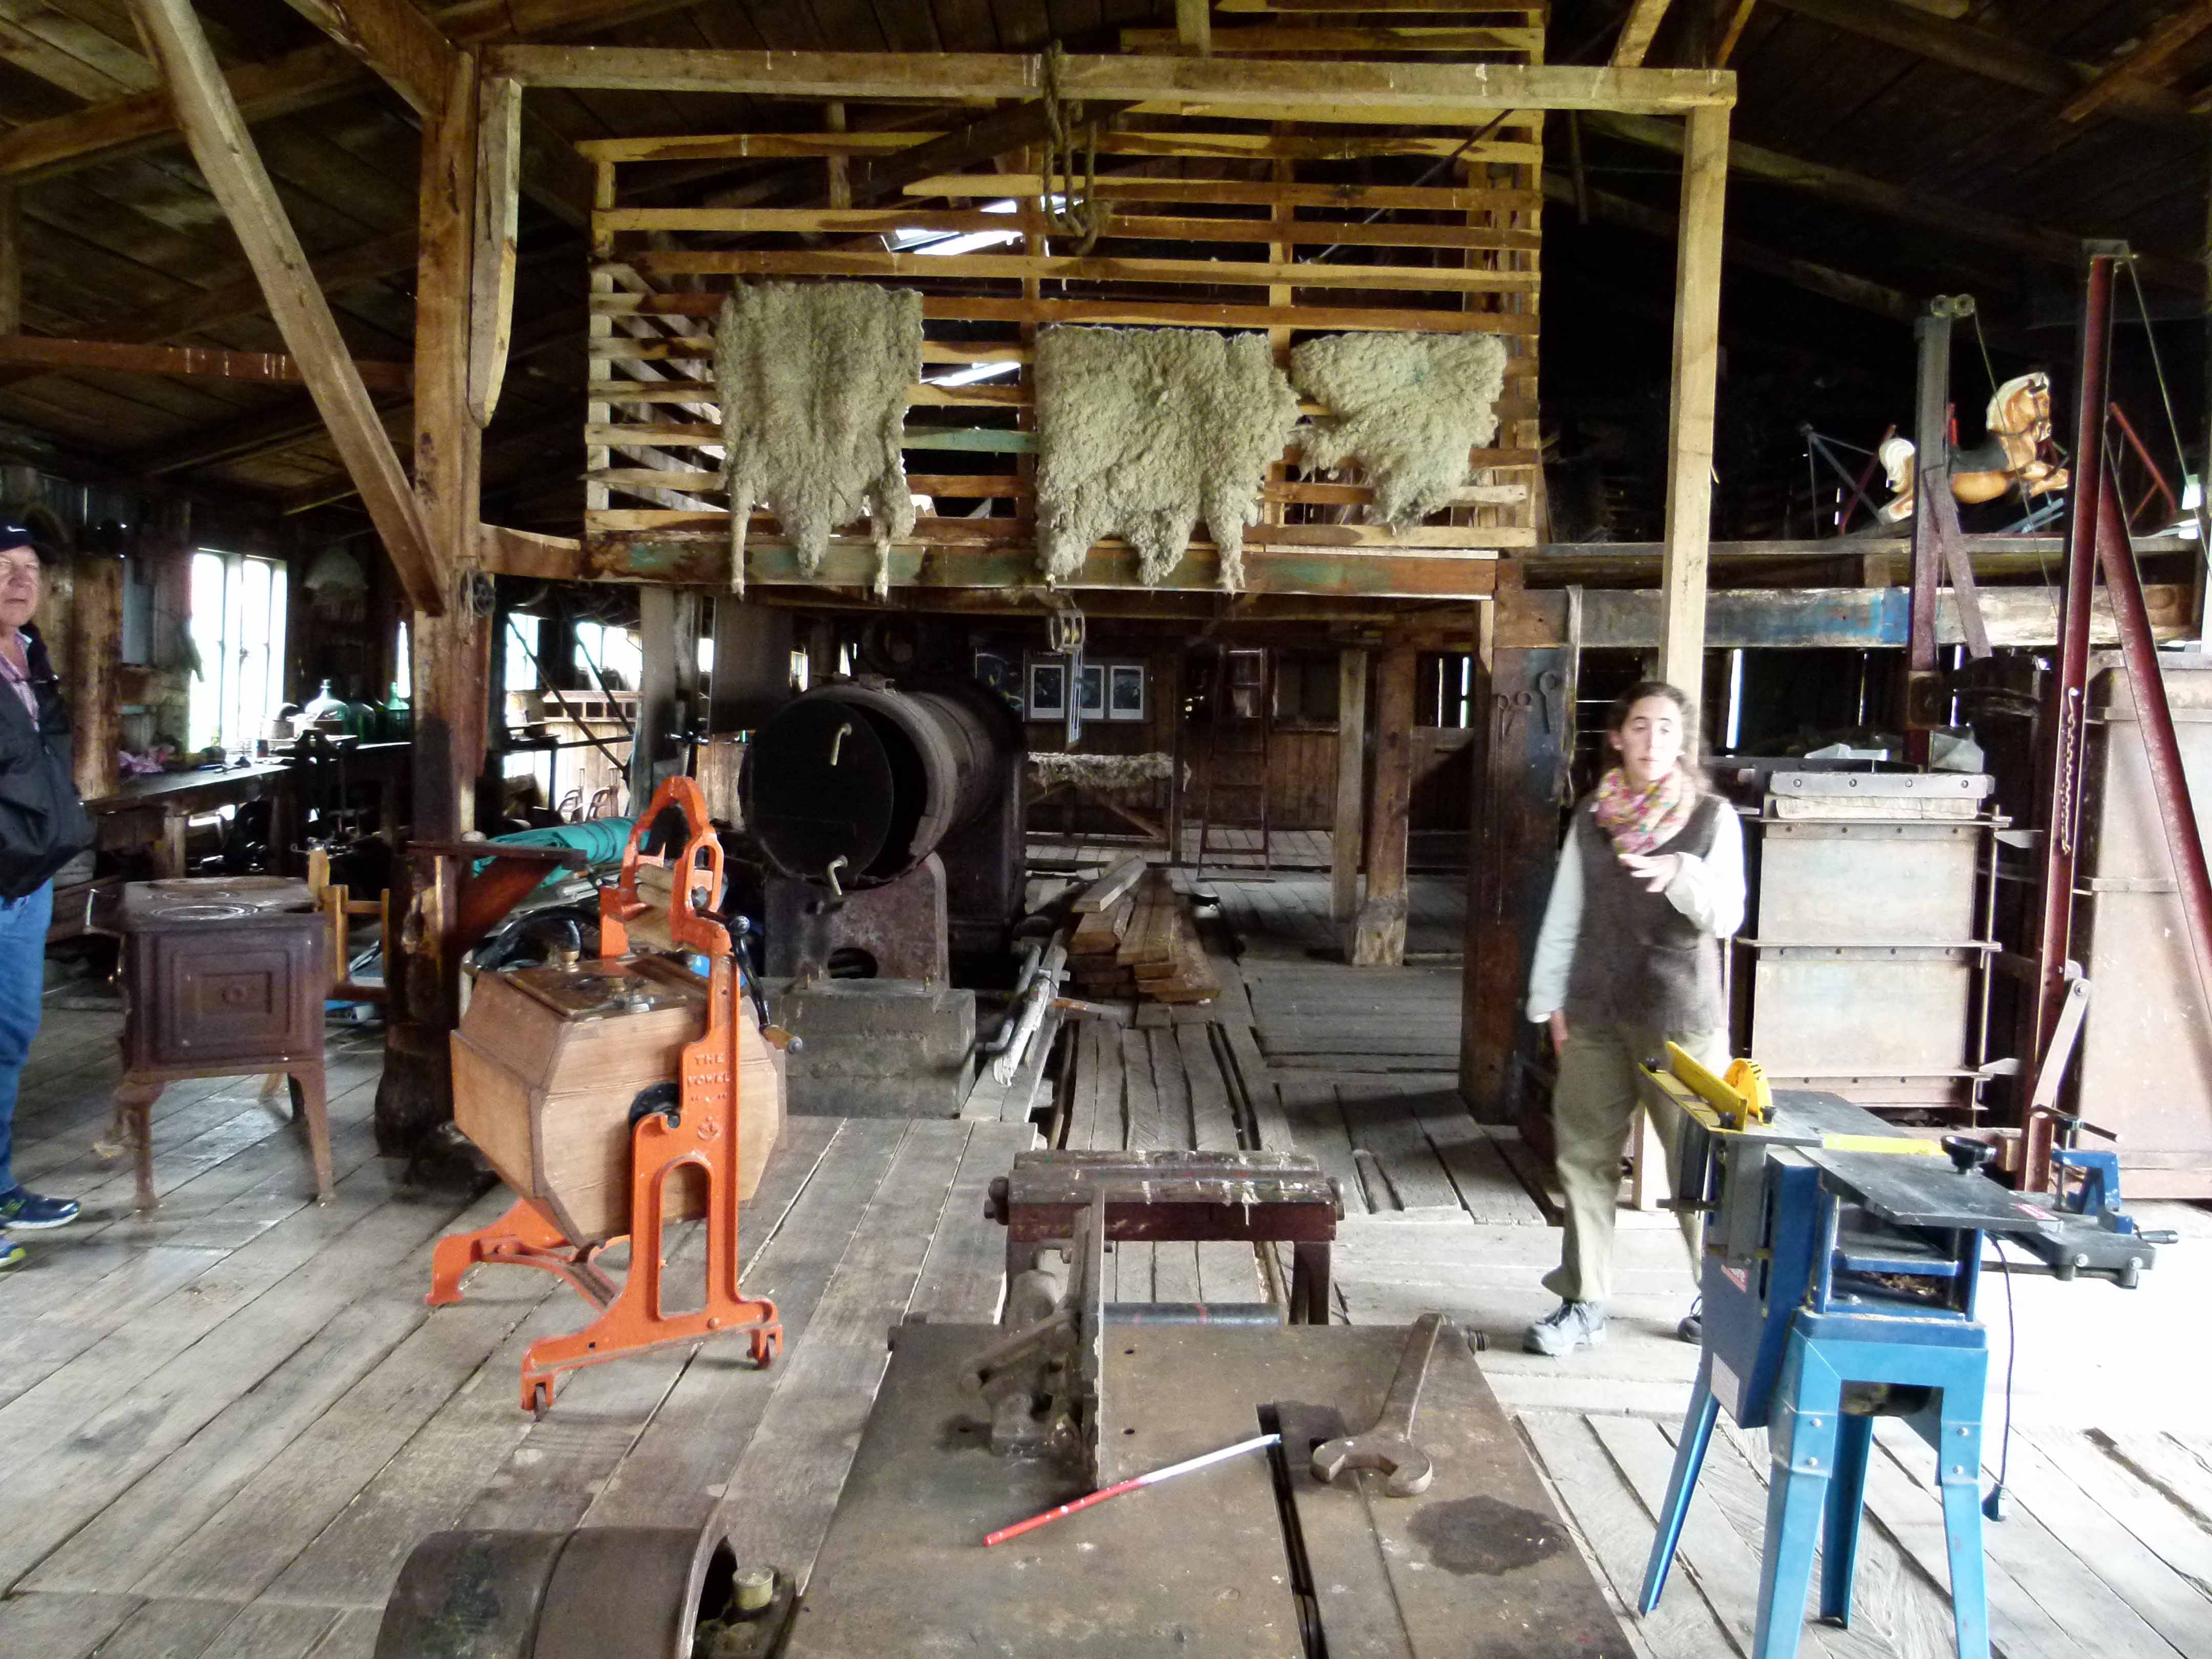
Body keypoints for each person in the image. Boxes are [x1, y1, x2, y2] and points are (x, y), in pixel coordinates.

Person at [1520, 680, 1743, 1357]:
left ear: (1683, 742)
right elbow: (1565, 915)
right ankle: (1583, 1300)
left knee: (1700, 1165)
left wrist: (1681, 870)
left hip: (1681, 1019)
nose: (1653, 740)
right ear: (1618, 737)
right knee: (1584, 1157)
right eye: (1641, 726)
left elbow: (1727, 917)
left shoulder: (1712, 818)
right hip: (1596, 1011)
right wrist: (1549, 1004)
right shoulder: (1593, 818)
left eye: (1667, 729)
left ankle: (1723, 1300)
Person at [0, 523, 97, 1270]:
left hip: (24, 880)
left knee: (10, 1035)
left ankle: (0, 1188)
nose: (20, 580)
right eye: (3, 566)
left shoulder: (31, 658)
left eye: (30, 568)